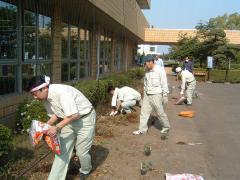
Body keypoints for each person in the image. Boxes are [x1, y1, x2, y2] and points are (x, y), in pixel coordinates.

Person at [28, 75, 96, 180]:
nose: (34, 97)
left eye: (35, 94)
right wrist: (43, 128)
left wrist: (57, 127)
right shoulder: (46, 99)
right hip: (68, 120)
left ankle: (86, 170)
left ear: (44, 88)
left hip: (85, 119)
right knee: (62, 151)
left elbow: (75, 115)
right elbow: (55, 115)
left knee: (81, 151)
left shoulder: (61, 93)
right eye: (32, 94)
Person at [133, 54, 170, 138]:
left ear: (150, 62)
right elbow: (146, 83)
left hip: (157, 94)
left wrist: (165, 95)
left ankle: (166, 127)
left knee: (160, 112)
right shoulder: (147, 71)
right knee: (144, 112)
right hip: (147, 94)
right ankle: (142, 130)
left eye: (145, 63)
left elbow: (164, 83)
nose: (144, 65)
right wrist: (145, 92)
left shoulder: (160, 70)